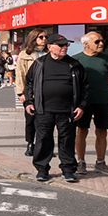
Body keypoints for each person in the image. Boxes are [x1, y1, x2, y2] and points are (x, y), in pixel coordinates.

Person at [25, 33, 87, 183]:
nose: (64, 47)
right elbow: (29, 83)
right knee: (43, 139)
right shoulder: (39, 63)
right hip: (43, 109)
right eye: (61, 45)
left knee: (66, 140)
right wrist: (28, 102)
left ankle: (68, 170)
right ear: (50, 47)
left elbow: (85, 87)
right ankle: (42, 169)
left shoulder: (74, 64)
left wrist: (81, 106)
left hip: (67, 110)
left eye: (66, 45)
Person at [73, 30, 108, 174]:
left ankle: (100, 162)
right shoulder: (76, 60)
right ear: (86, 44)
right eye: (97, 41)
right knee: (82, 130)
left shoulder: (107, 59)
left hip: (103, 100)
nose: (101, 44)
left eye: (102, 40)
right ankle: (81, 162)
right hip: (83, 102)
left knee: (102, 131)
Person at [15, 29, 49, 157]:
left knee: (46, 121)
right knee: (30, 120)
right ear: (33, 39)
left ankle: (44, 145)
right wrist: (21, 93)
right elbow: (20, 74)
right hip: (31, 92)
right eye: (41, 37)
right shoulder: (25, 55)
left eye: (46, 37)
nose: (44, 39)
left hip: (47, 91)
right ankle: (30, 144)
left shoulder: (49, 53)